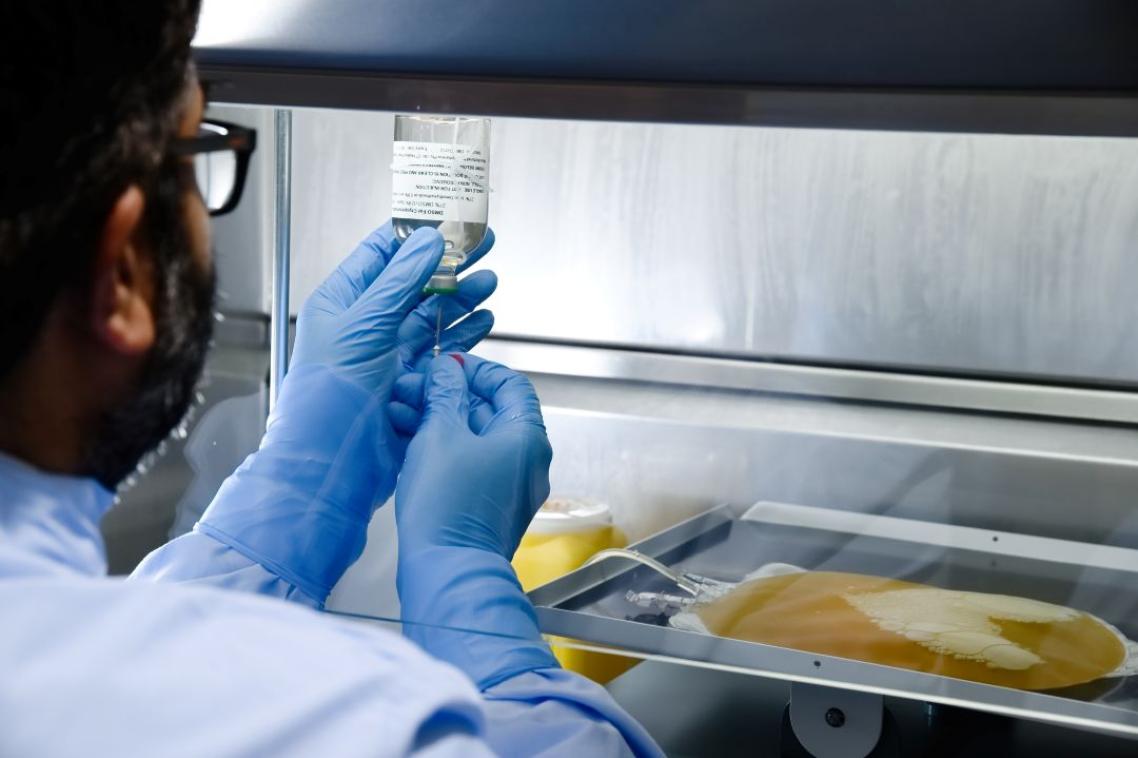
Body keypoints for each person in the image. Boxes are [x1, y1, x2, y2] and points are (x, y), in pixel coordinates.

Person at [0, 2, 661, 755]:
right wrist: (469, 592)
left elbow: (113, 672)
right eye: (197, 149)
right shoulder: (359, 724)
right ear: (120, 273)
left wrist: (297, 494)